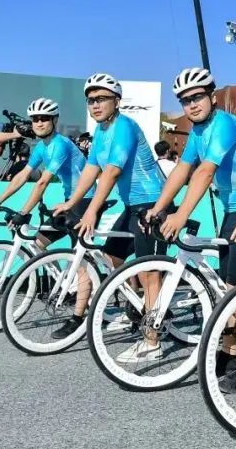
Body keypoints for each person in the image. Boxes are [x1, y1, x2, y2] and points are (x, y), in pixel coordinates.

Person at [147, 67, 236, 384]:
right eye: (185, 100)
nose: (192, 104)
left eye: (197, 97)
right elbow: (182, 171)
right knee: (226, 286)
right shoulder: (198, 133)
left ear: (212, 97)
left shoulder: (224, 124)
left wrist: (180, 215)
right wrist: (158, 208)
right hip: (233, 211)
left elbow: (204, 172)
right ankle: (231, 352)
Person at [50, 74, 166, 348]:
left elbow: (112, 171)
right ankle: (137, 306)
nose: (95, 104)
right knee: (112, 258)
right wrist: (71, 202)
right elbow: (92, 170)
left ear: (117, 101)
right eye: (91, 100)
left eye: (102, 99)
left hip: (153, 203)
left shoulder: (124, 126)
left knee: (149, 271)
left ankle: (152, 342)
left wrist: (91, 210)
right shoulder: (101, 133)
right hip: (133, 206)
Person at [0, 98, 95, 251]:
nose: (39, 123)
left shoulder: (60, 144)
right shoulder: (41, 147)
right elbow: (23, 175)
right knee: (36, 245)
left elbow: (43, 182)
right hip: (69, 201)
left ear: (54, 120)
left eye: (44, 118)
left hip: (86, 200)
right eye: (35, 119)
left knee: (80, 258)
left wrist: (24, 212)